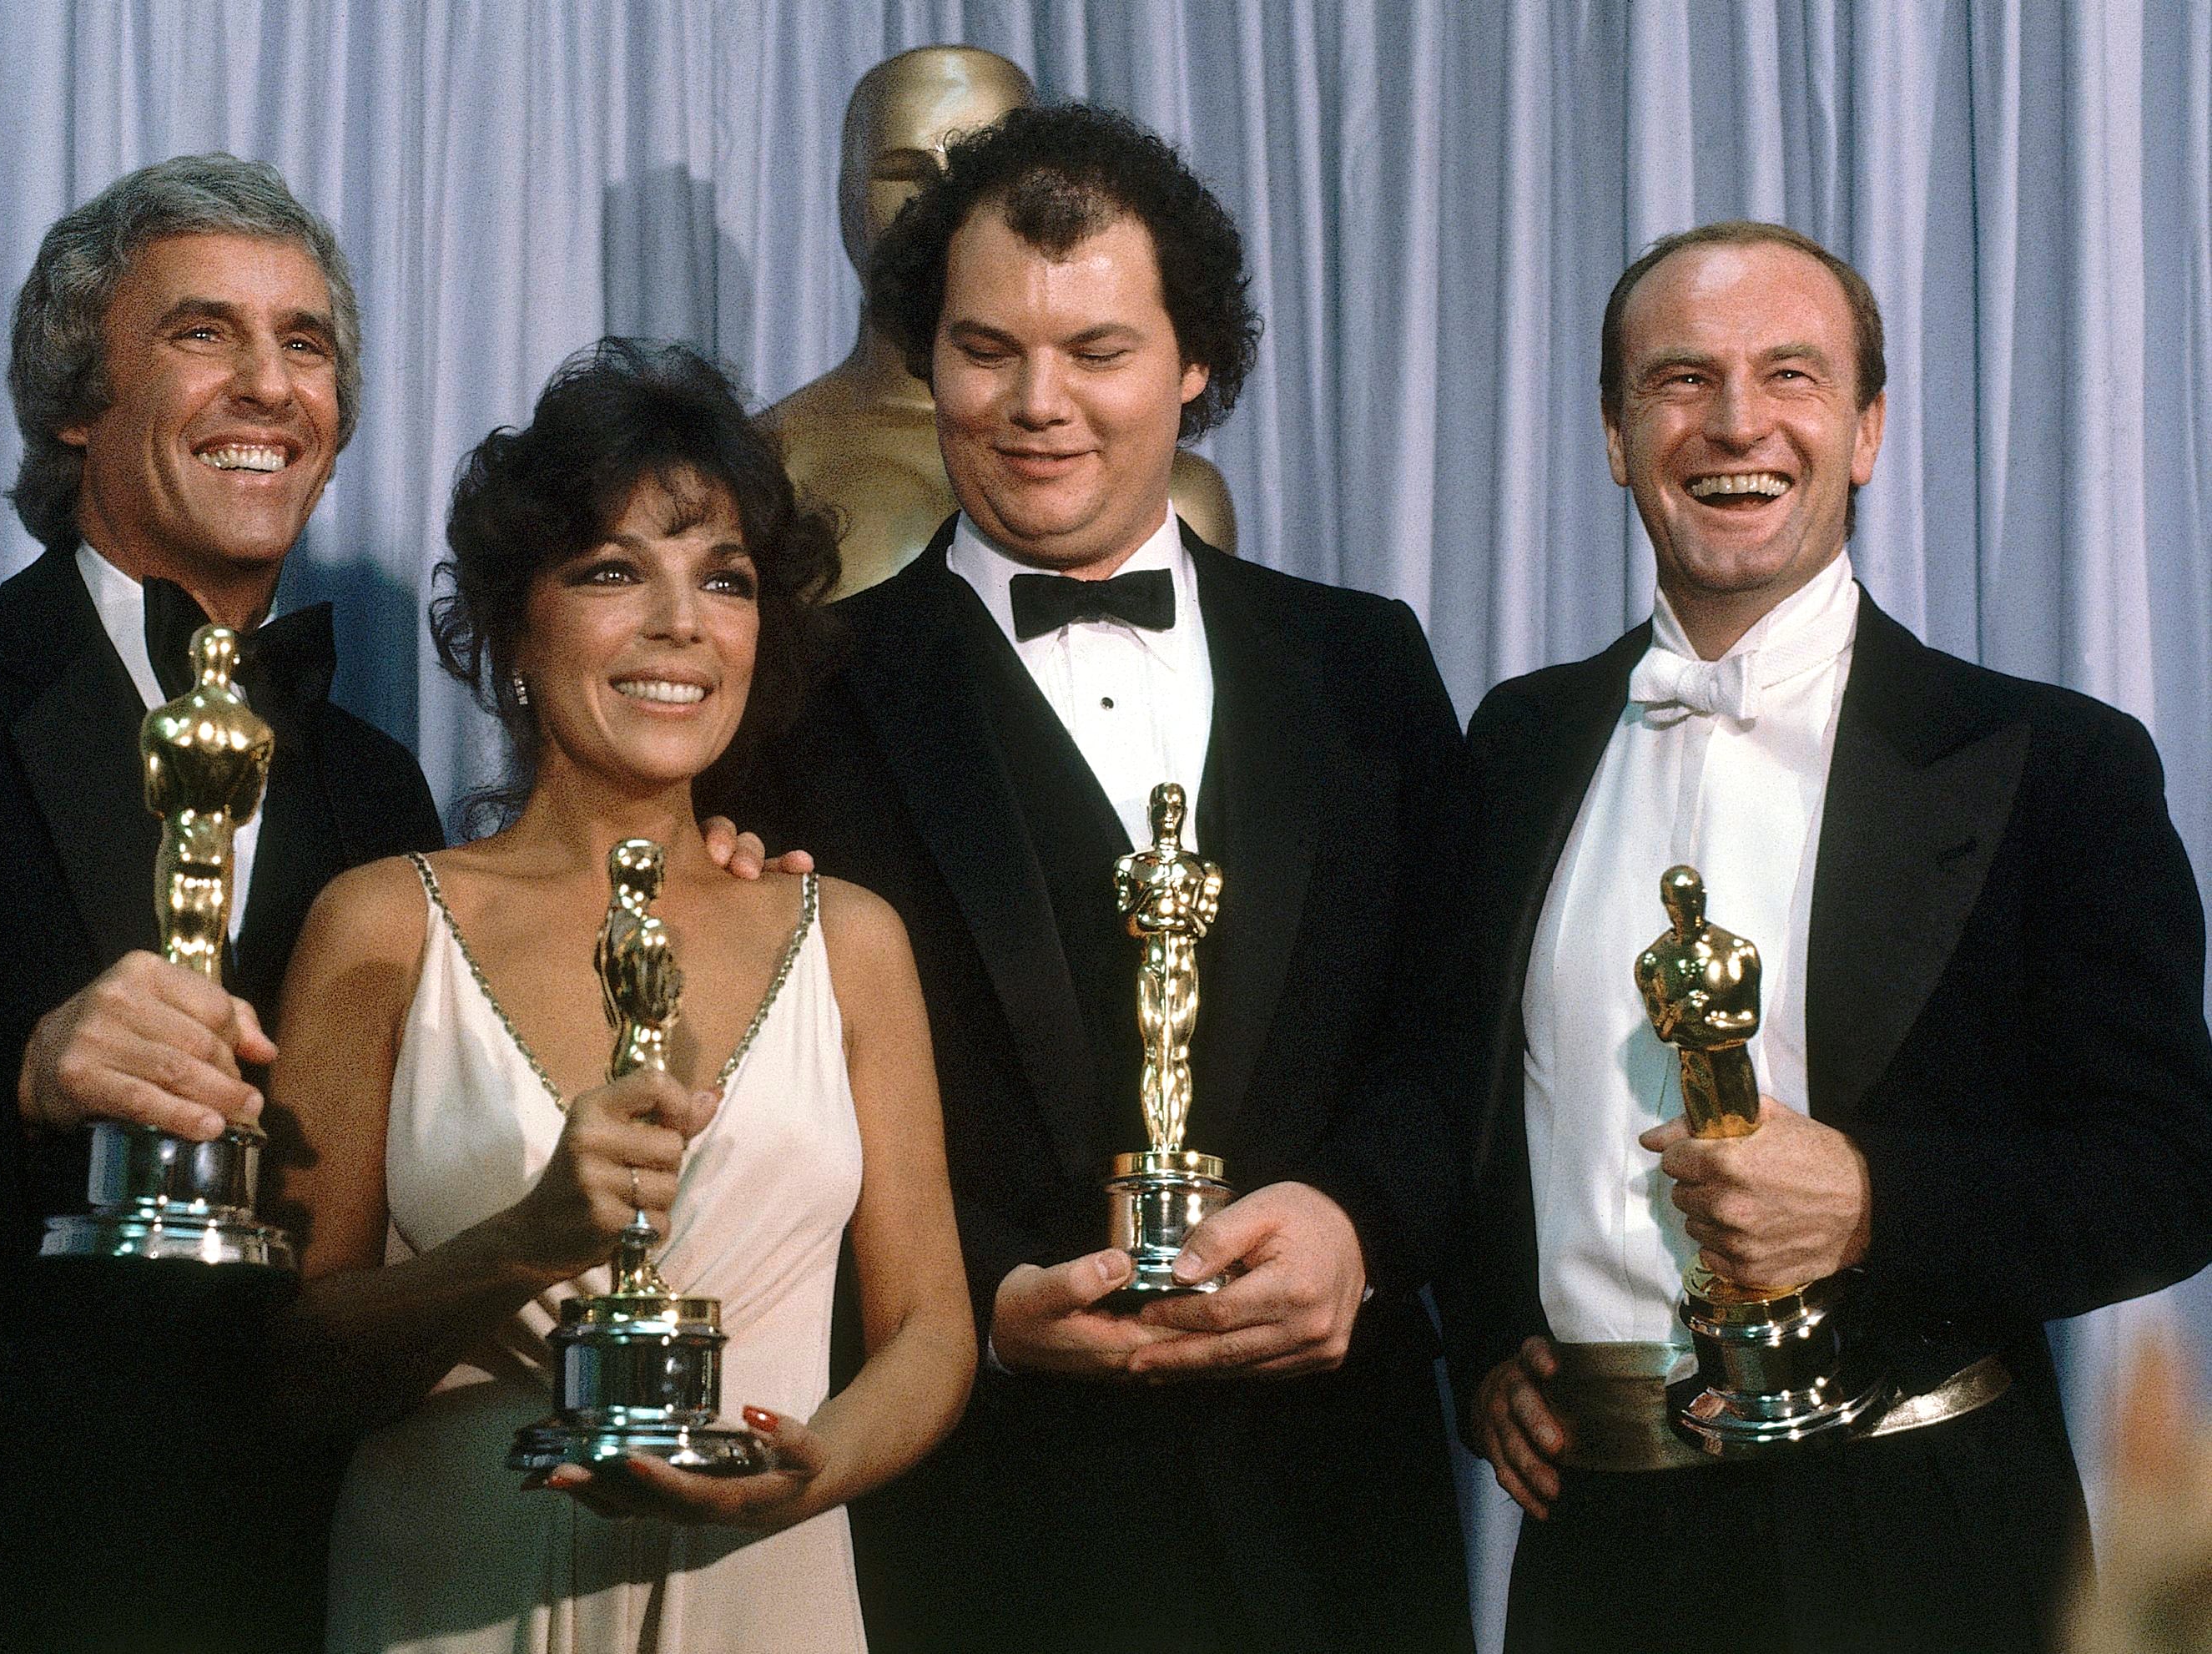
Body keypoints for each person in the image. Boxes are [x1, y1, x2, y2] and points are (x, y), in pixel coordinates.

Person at [720, 103, 1474, 1653]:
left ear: (1195, 363)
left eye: (1098, 351)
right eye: (986, 350)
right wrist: (983, 1302)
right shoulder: (795, 704)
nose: (1035, 404)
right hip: (988, 1528)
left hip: (1337, 1521)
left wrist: (1354, 1221)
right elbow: (770, 1110)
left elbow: (1455, 1033)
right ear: (926, 358)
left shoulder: (1362, 662)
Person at [0, 154, 445, 1651]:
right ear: (71, 398)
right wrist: (22, 1084)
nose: (267, 384)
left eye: (302, 343)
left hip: (273, 1590)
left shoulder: (380, 790)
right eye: (201, 333)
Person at [1449, 219, 2212, 1654]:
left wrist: (1869, 1198)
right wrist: (1488, 1342)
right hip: (1595, 1555)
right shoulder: (1514, 742)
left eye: (1787, 375)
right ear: (1615, 435)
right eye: (1678, 379)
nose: (1734, 421)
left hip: (1925, 1544)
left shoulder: (2047, 760)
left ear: (1863, 429)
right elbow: (1468, 1100)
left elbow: (2169, 1170)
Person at [268, 340, 974, 1653]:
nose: (679, 622)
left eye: (725, 579)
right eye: (610, 570)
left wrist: (811, 1467)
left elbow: (932, 1328)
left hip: (769, 1593)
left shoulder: (851, 936)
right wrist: (523, 1238)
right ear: (511, 627)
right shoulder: (379, 925)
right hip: (451, 1601)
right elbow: (292, 1361)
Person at [765, 47, 1236, 595]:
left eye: (1097, 354)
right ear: (845, 194)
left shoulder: (1188, 497)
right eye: (903, 174)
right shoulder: (767, 462)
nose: (939, 200)